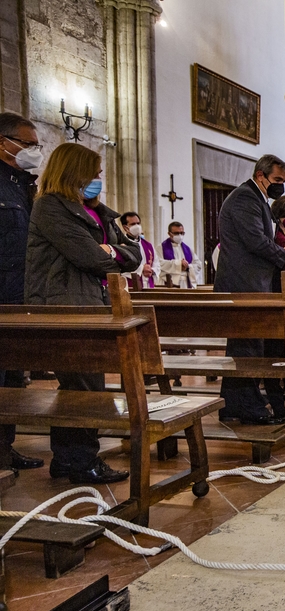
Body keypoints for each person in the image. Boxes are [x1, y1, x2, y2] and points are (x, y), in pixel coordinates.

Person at [25, 142, 142, 483]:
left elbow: (135, 255)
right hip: (65, 307)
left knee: (86, 385)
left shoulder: (96, 210)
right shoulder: (50, 207)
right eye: (94, 172)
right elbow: (90, 258)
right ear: (75, 172)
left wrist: (111, 250)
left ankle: (71, 459)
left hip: (91, 303)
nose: (99, 178)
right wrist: (111, 253)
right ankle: (79, 461)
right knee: (83, 386)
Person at [214, 154, 285, 425]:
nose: (280, 186)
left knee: (244, 345)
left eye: (283, 181)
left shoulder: (256, 198)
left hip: (249, 282)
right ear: (261, 175)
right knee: (248, 347)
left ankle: (231, 404)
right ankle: (249, 406)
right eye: (277, 180)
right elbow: (254, 239)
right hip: (244, 283)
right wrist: (282, 253)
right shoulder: (245, 198)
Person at [0, 112, 44, 472]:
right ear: (4, 142)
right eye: (28, 144)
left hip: (19, 296)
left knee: (15, 378)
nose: (34, 151)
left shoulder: (23, 185)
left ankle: (4, 446)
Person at [121, 211, 159, 289]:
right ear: (125, 227)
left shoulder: (148, 245)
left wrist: (151, 270)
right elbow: (120, 266)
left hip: (148, 284)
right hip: (130, 286)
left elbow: (157, 264)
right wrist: (141, 269)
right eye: (133, 224)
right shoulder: (121, 244)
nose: (137, 226)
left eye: (138, 223)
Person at [158, 221, 202, 288]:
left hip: (186, 284)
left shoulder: (188, 249)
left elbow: (198, 265)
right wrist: (179, 264)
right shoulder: (161, 247)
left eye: (182, 233)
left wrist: (188, 267)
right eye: (176, 233)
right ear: (169, 234)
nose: (180, 235)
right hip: (169, 284)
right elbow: (159, 264)